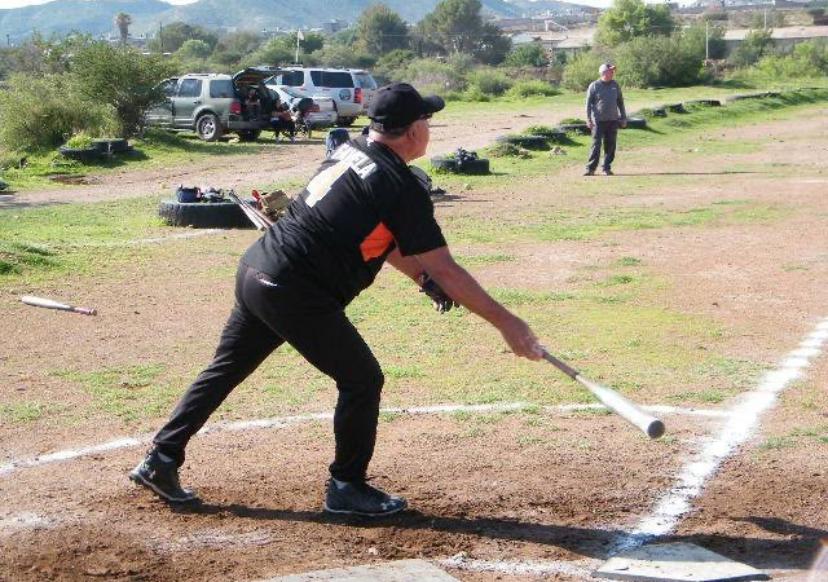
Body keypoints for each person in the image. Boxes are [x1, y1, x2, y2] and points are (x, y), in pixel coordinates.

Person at [129, 82, 542, 516]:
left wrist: (420, 277)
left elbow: (385, 241)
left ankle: (161, 459)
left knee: (227, 368)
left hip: (258, 271)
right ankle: (346, 486)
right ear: (411, 130)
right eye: (426, 120)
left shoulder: (353, 149)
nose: (430, 127)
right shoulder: (398, 185)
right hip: (294, 290)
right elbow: (446, 268)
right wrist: (507, 323)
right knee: (362, 380)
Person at [584, 63, 627, 177]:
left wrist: (623, 117)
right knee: (596, 145)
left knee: (610, 145)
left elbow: (620, 102)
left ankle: (606, 168)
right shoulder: (594, 86)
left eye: (613, 71)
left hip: (613, 120)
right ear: (603, 72)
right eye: (610, 71)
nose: (612, 73)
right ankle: (590, 169)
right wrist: (588, 119)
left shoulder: (615, 85)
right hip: (598, 121)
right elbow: (588, 104)